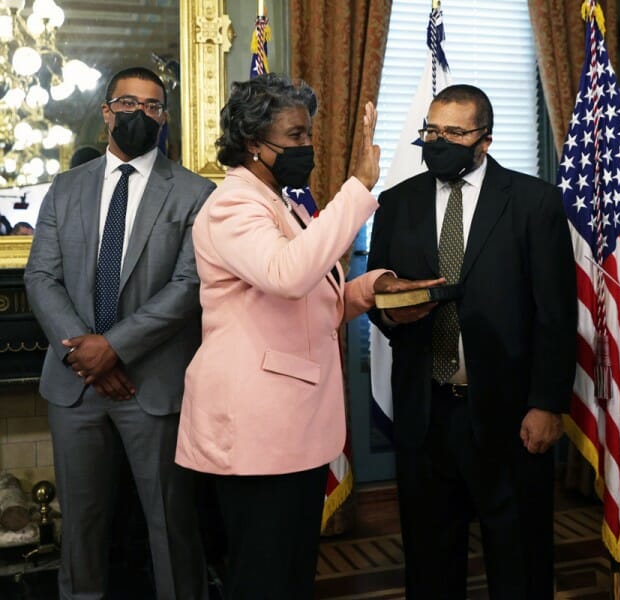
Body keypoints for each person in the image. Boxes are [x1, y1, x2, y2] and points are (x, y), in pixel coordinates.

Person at [174, 73, 437, 599]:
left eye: (308, 135)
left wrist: (373, 287)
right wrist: (359, 187)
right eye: (295, 136)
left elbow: (319, 298)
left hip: (292, 429)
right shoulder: (233, 206)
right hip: (254, 432)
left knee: (292, 576)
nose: (307, 147)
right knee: (264, 579)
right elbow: (288, 274)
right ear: (253, 143)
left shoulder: (286, 203)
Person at [367, 84, 577, 599]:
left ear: (484, 140)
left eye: (453, 133)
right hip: (425, 408)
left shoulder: (534, 202)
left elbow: (556, 313)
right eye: (431, 131)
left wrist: (547, 403)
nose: (438, 141)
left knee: (519, 558)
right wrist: (394, 315)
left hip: (510, 414)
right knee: (430, 559)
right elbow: (376, 293)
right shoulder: (397, 202)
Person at [24, 66, 213, 599]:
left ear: (164, 118)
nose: (139, 113)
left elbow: (187, 285)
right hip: (74, 384)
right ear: (107, 111)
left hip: (151, 384)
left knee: (172, 527)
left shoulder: (195, 193)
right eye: (127, 103)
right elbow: (41, 276)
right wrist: (87, 355)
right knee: (79, 530)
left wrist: (115, 349)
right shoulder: (64, 189)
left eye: (152, 106)